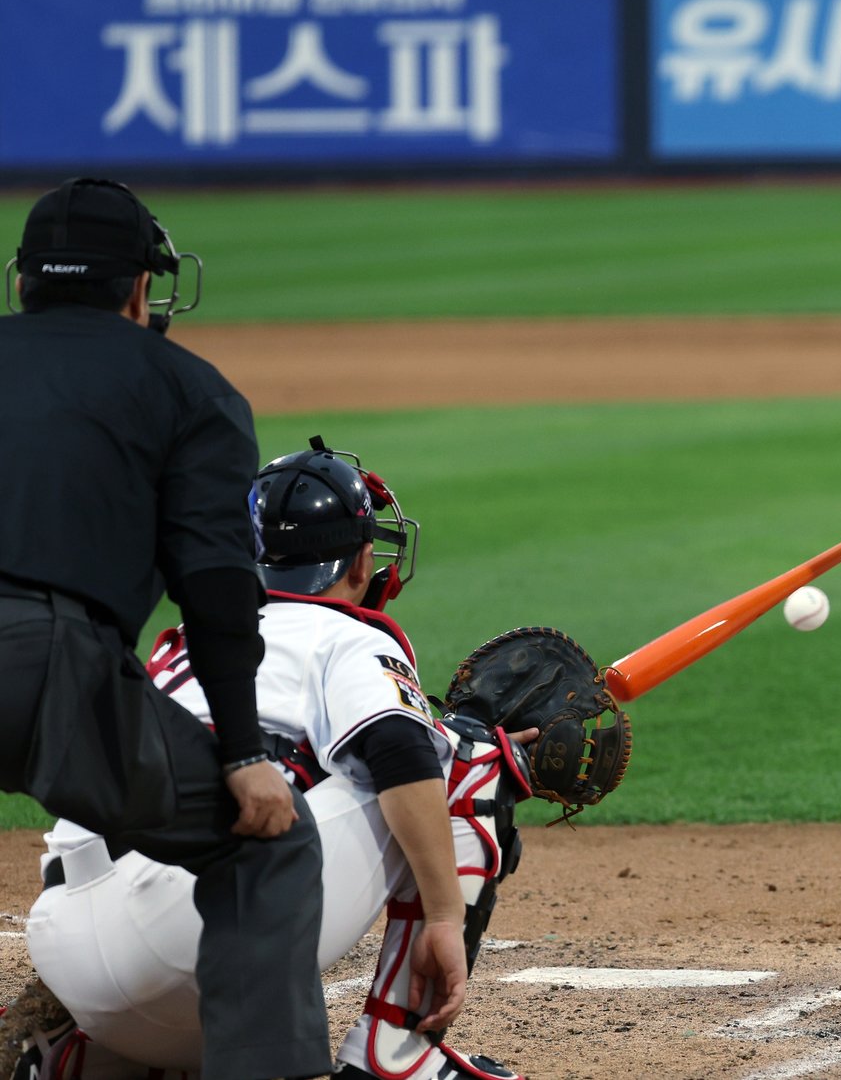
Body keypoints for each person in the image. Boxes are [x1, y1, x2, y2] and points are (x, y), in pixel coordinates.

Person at [18, 438, 535, 1080]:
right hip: (187, 944)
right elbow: (401, 753)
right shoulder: (344, 634)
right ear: (362, 560)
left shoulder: (181, 644)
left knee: (238, 790)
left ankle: (87, 1058)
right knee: (459, 752)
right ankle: (398, 1055)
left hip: (70, 947)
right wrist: (444, 916)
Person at [0, 179, 331, 1078]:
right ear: (141, 288)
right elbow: (217, 588)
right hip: (54, 669)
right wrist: (241, 752)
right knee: (268, 838)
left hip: (53, 660)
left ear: (23, 280)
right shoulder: (189, 388)